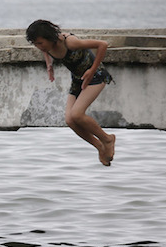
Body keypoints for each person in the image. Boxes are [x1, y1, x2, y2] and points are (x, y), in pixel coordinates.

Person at [26, 19, 116, 166]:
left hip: (95, 76)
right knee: (70, 120)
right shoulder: (46, 47)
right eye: (35, 44)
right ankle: (99, 146)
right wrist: (49, 64)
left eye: (40, 43)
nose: (38, 47)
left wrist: (91, 70)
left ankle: (107, 139)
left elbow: (102, 45)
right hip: (77, 80)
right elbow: (46, 50)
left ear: (50, 38)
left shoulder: (70, 43)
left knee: (77, 114)